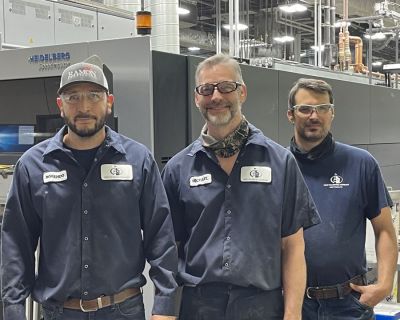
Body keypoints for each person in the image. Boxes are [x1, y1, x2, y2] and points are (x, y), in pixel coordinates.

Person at [1, 56, 178, 320]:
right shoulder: (33, 166)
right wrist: (14, 310)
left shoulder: (138, 160)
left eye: (94, 95)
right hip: (59, 312)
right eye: (73, 97)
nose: (84, 106)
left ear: (109, 102)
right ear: (61, 105)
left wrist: (165, 306)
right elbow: (16, 245)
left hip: (123, 311)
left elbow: (161, 236)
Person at [161, 54, 320, 320]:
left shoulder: (281, 163)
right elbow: (169, 249)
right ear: (196, 97)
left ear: (242, 92)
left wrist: (293, 313)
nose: (216, 97)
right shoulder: (178, 169)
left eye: (226, 87)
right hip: (198, 307)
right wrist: (165, 311)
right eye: (206, 89)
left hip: (262, 306)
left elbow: (292, 247)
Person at [286, 78, 398, 320]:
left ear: (332, 113)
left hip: (348, 304)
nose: (314, 115)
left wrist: (385, 284)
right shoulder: (278, 167)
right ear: (291, 115)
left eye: (323, 108)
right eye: (304, 109)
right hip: (292, 305)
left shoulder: (361, 163)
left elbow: (385, 230)